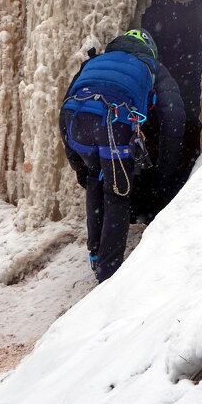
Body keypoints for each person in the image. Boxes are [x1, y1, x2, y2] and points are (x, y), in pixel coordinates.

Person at [59, 29, 185, 283]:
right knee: (117, 195)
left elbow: (67, 103)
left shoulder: (94, 61)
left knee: (95, 177)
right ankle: (109, 273)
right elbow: (174, 117)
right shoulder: (151, 67)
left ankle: (95, 253)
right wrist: (164, 173)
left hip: (74, 120)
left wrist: (78, 167)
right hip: (112, 124)